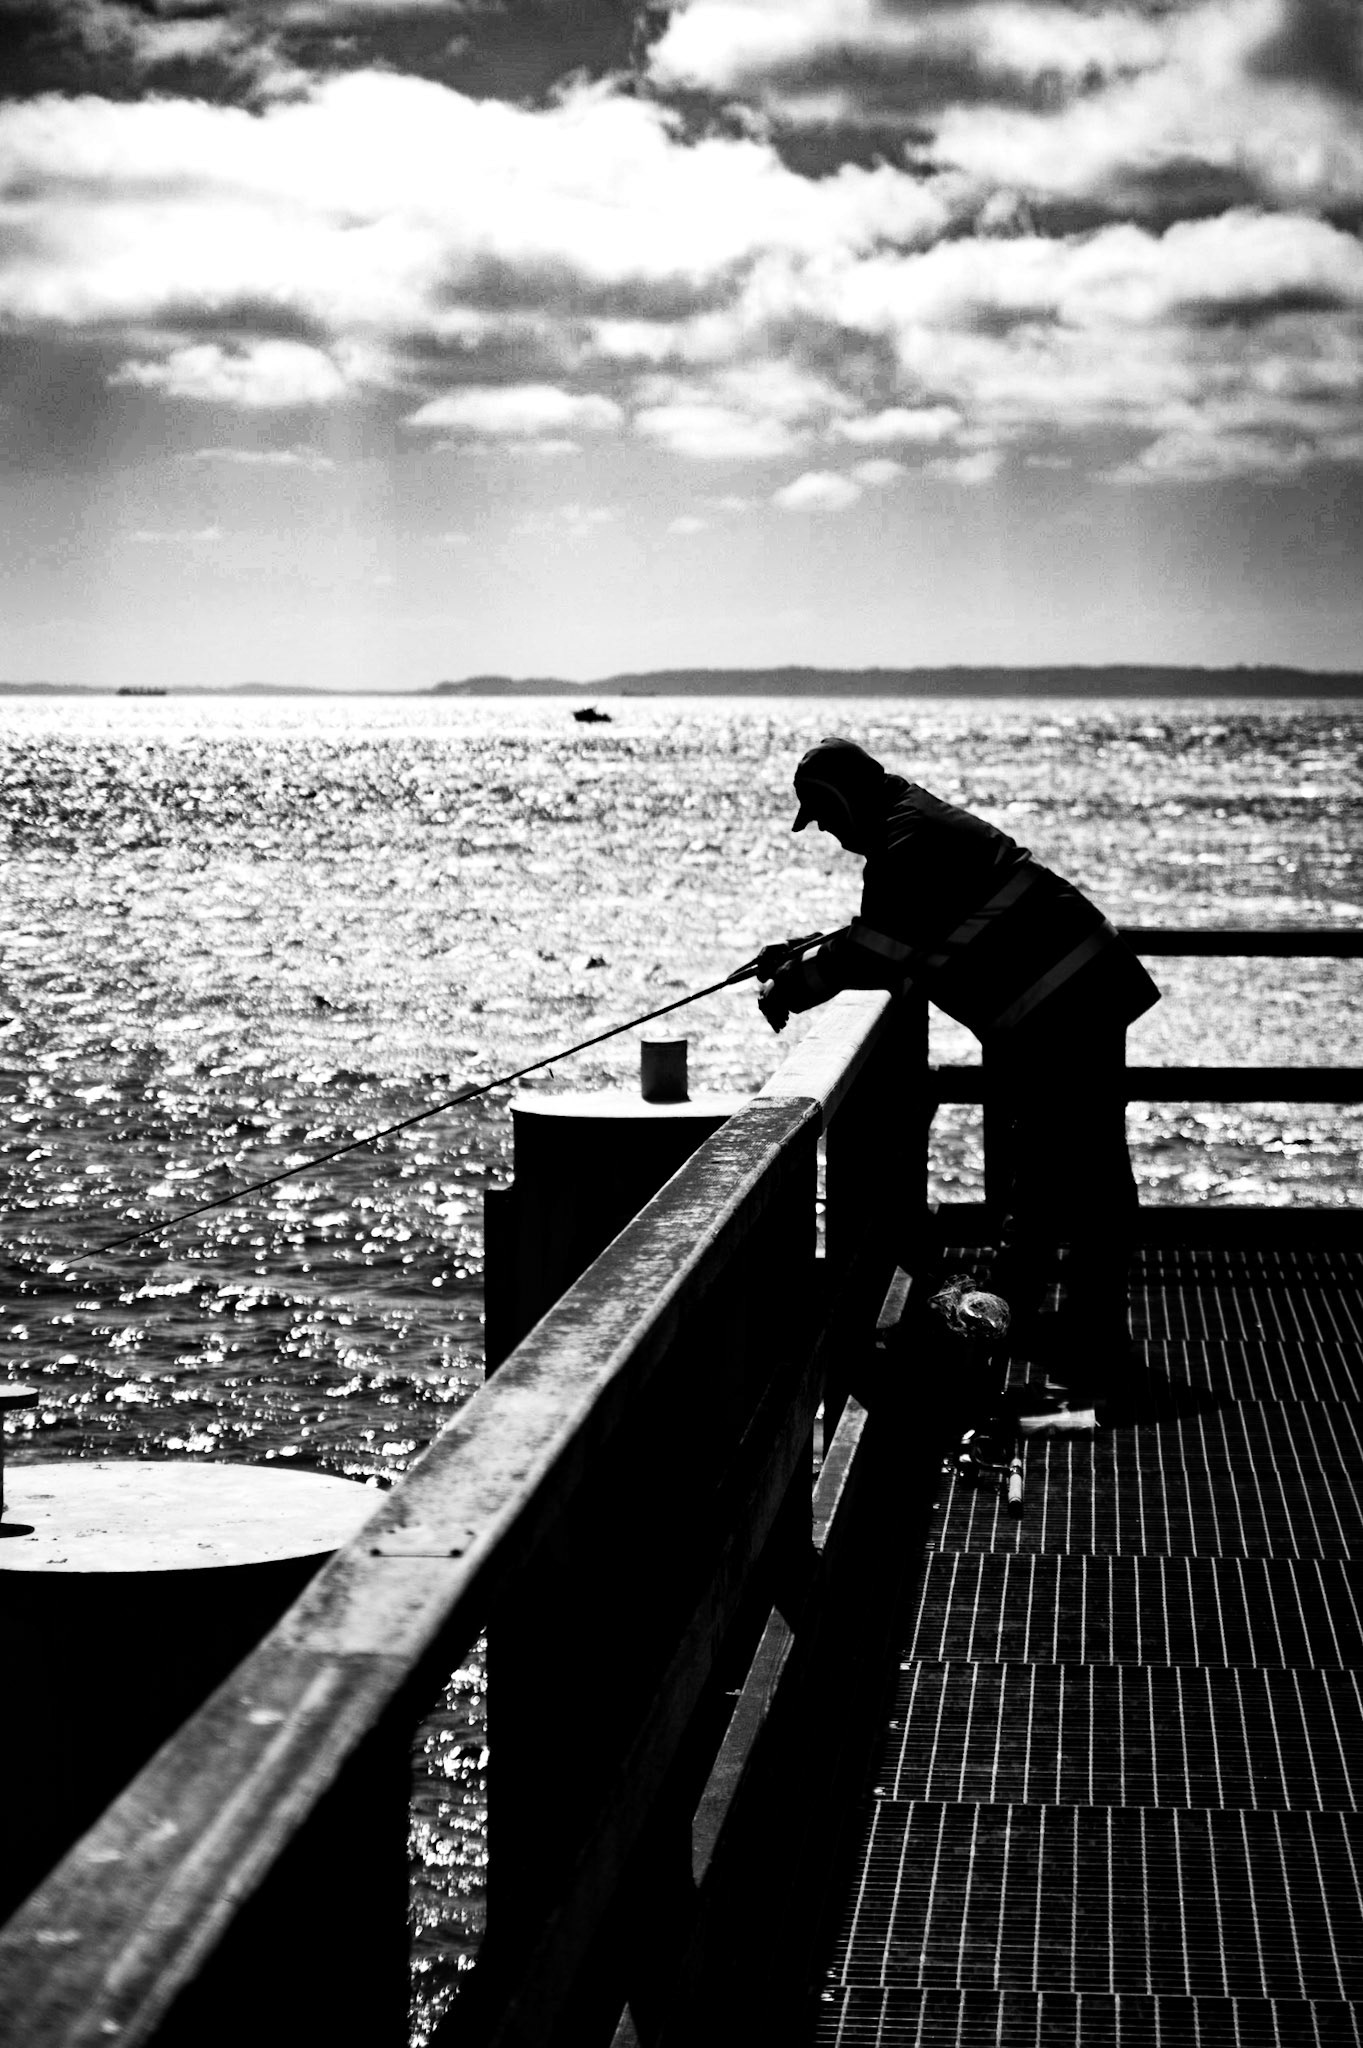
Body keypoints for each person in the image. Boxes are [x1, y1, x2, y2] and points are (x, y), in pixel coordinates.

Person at [756, 736, 1160, 1386]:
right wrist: (810, 954)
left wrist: (790, 986)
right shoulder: (910, 825)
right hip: (1074, 992)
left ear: (843, 799)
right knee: (1067, 1161)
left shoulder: (904, 842)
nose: (826, 832)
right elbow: (895, 931)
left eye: (824, 815)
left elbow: (878, 950)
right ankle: (1060, 1317)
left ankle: (1066, 1327)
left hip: (1066, 1002)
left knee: (1079, 1166)